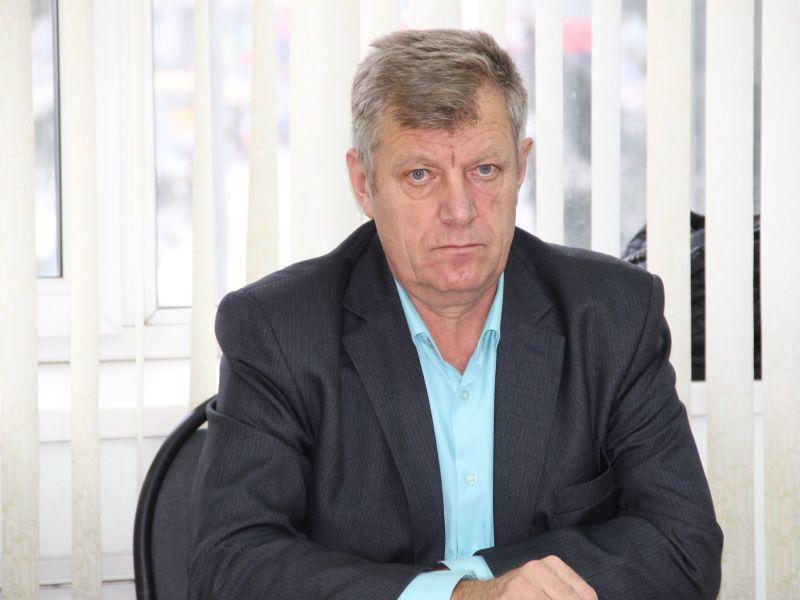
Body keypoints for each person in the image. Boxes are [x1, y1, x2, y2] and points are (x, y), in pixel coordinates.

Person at [188, 29, 722, 600]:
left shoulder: (613, 315)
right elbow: (230, 565)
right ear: (364, 184)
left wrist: (492, 581)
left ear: (521, 167)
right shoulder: (280, 330)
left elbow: (684, 549)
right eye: (420, 175)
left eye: (484, 170)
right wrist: (458, 595)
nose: (460, 210)